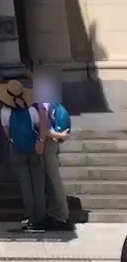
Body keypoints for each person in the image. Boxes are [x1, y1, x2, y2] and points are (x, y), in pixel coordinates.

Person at [0, 78, 46, 233]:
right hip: (34, 149)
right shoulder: (31, 110)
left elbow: (7, 132)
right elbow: (39, 127)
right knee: (38, 185)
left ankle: (31, 218)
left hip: (17, 150)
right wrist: (40, 142)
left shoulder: (4, 112)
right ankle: (41, 219)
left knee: (26, 186)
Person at [33, 71, 74, 232]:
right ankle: (56, 211)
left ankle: (62, 214)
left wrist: (42, 140)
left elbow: (44, 126)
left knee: (53, 179)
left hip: (48, 142)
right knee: (51, 179)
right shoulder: (51, 99)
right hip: (51, 142)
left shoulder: (42, 100)